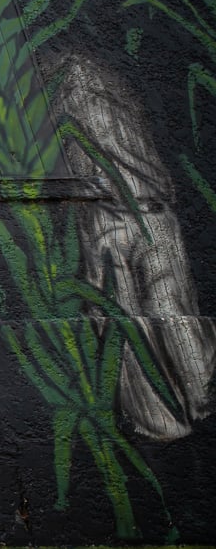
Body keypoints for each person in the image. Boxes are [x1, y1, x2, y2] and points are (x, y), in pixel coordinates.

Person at [50, 53, 214, 440]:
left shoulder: (53, 87)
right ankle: (199, 395)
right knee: (172, 308)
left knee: (125, 321)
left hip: (102, 215)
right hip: (153, 205)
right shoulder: (114, 80)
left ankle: (162, 421)